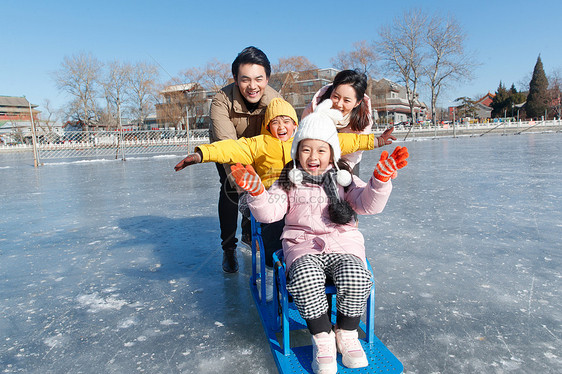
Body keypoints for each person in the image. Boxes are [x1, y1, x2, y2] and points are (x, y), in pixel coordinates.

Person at [229, 102, 409, 373]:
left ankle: (346, 334)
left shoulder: (344, 179)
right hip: (302, 247)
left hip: (343, 244)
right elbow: (269, 212)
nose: (313, 156)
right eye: (306, 149)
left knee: (358, 276)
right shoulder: (287, 181)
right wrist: (257, 192)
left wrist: (380, 182)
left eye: (321, 150)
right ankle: (322, 337)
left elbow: (369, 205)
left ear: (332, 153)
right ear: (297, 152)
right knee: (304, 278)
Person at [175, 98, 396, 269]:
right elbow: (229, 148)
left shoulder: (304, 139)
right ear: (268, 125)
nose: (281, 126)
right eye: (275, 122)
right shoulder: (259, 143)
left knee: (328, 210)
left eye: (287, 121)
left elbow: (344, 141)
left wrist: (376, 140)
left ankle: (332, 258)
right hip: (273, 194)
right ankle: (278, 262)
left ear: (295, 124)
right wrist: (200, 154)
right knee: (275, 220)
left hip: (306, 189)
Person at [176, 46, 281, 273]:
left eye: (258, 79)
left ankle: (261, 239)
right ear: (235, 79)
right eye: (245, 79)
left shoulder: (275, 100)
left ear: (267, 78)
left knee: (270, 189)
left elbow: (283, 137)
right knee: (231, 190)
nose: (252, 86)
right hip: (227, 147)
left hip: (261, 146)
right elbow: (228, 146)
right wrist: (244, 185)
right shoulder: (221, 100)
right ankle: (228, 248)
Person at [302, 69, 391, 173]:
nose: (339, 104)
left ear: (357, 103)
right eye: (336, 97)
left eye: (346, 100)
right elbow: (305, 142)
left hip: (347, 162)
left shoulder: (363, 119)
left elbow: (355, 151)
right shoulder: (313, 110)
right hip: (314, 163)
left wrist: (343, 172)